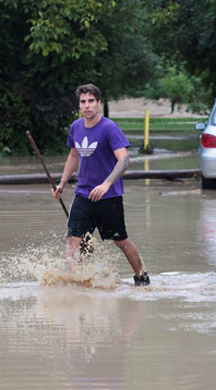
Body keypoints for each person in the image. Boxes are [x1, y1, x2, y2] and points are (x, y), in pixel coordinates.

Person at [52, 84, 150, 286]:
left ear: (98, 103)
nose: (86, 106)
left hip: (109, 196)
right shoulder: (75, 127)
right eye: (82, 102)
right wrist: (61, 183)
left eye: (90, 101)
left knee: (120, 241)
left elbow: (123, 160)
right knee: (74, 240)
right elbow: (73, 156)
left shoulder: (109, 128)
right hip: (83, 195)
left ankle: (141, 276)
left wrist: (106, 184)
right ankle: (69, 285)